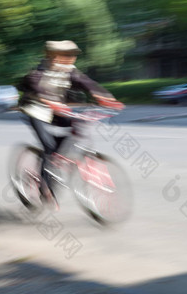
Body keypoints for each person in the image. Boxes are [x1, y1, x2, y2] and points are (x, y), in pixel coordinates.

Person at [19, 40, 123, 208]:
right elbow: (38, 89)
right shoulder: (38, 72)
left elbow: (87, 83)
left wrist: (107, 98)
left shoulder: (70, 71)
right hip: (36, 110)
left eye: (73, 55)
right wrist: (48, 101)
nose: (72, 58)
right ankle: (46, 190)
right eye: (67, 55)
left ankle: (57, 160)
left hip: (56, 110)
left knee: (75, 129)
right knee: (49, 147)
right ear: (53, 56)